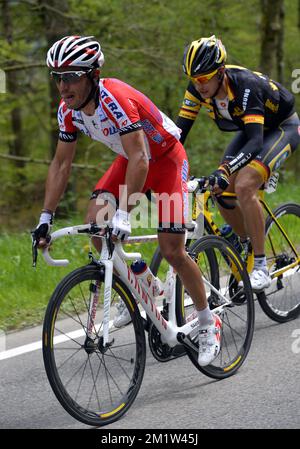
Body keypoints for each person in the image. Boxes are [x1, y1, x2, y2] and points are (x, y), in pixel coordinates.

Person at [32, 35, 222, 366]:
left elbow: (142, 157)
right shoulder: (68, 112)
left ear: (92, 74)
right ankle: (139, 282)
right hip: (130, 160)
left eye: (71, 76)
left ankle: (208, 323)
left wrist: (124, 213)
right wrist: (45, 217)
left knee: (173, 249)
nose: (63, 86)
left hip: (164, 159)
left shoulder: (114, 98)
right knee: (95, 223)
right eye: (58, 77)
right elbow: (61, 164)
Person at [177, 35, 300, 291]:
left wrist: (225, 170)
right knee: (219, 188)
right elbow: (179, 135)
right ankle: (246, 242)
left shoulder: (245, 86)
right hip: (250, 128)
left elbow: (255, 143)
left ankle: (262, 266)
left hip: (281, 128)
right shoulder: (197, 89)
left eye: (203, 79)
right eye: (192, 79)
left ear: (220, 72)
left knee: (244, 185)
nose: (198, 86)